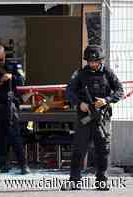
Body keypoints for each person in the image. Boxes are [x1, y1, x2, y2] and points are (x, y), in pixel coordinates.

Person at [62, 45, 124, 191]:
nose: (92, 64)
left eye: (95, 61)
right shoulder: (80, 74)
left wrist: (107, 100)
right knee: (79, 149)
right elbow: (69, 91)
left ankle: (101, 180)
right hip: (85, 116)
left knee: (103, 149)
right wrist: (80, 103)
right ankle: (74, 181)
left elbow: (120, 90)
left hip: (101, 117)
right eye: (90, 61)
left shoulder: (108, 73)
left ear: (101, 60)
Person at [0, 44, 30, 175]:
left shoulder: (13, 65)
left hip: (8, 104)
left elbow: (22, 81)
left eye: (1, 59)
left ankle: (23, 164)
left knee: (14, 136)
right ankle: (3, 164)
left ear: (5, 56)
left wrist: (12, 77)